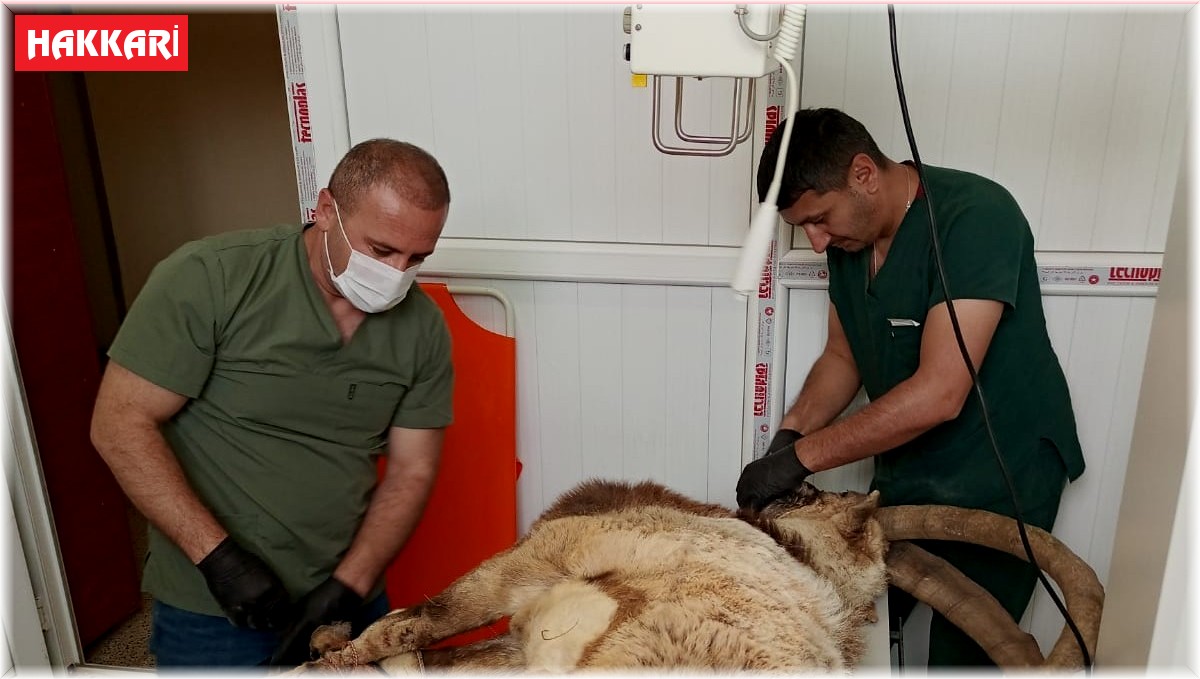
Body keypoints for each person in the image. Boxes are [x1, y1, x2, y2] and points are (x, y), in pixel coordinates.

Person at [734, 108, 1085, 666]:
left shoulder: (976, 217)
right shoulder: (854, 242)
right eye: (804, 227)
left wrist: (802, 458)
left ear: (864, 174)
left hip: (998, 470)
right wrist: (790, 434)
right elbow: (843, 355)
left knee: (964, 651)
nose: (817, 242)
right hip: (911, 464)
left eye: (820, 218)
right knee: (852, 621)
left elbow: (940, 393)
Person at [90, 139, 455, 668]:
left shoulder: (422, 329)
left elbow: (412, 470)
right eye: (381, 250)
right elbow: (120, 423)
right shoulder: (212, 278)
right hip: (214, 603)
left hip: (345, 597)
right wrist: (218, 559)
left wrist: (350, 584)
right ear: (326, 210)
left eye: (417, 257)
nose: (398, 273)